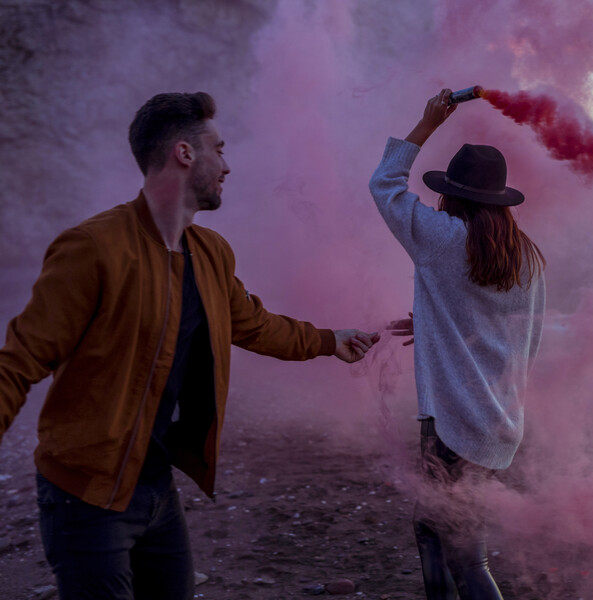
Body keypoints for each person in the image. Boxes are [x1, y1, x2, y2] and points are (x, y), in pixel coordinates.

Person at [0, 91, 379, 600]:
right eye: (219, 150)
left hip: (155, 486)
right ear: (184, 153)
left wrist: (329, 341)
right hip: (85, 494)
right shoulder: (93, 248)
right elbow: (19, 360)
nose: (227, 166)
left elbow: (252, 324)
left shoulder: (211, 251)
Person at [370, 89, 545, 599]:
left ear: (452, 195)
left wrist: (426, 124)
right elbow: (506, 332)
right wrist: (430, 320)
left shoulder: (441, 236)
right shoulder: (525, 257)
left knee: (467, 554)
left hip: (452, 422)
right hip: (497, 420)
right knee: (434, 530)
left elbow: (384, 183)